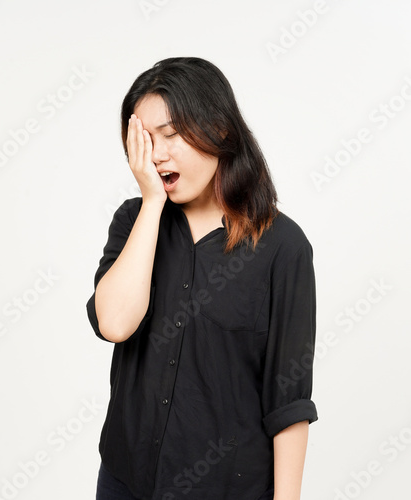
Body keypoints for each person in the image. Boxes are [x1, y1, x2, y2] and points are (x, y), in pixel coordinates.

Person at [86, 56, 318, 500]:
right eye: (146, 140)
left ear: (220, 129)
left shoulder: (283, 247)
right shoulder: (134, 221)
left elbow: (288, 401)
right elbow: (115, 323)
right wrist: (152, 202)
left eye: (171, 135)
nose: (157, 154)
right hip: (125, 482)